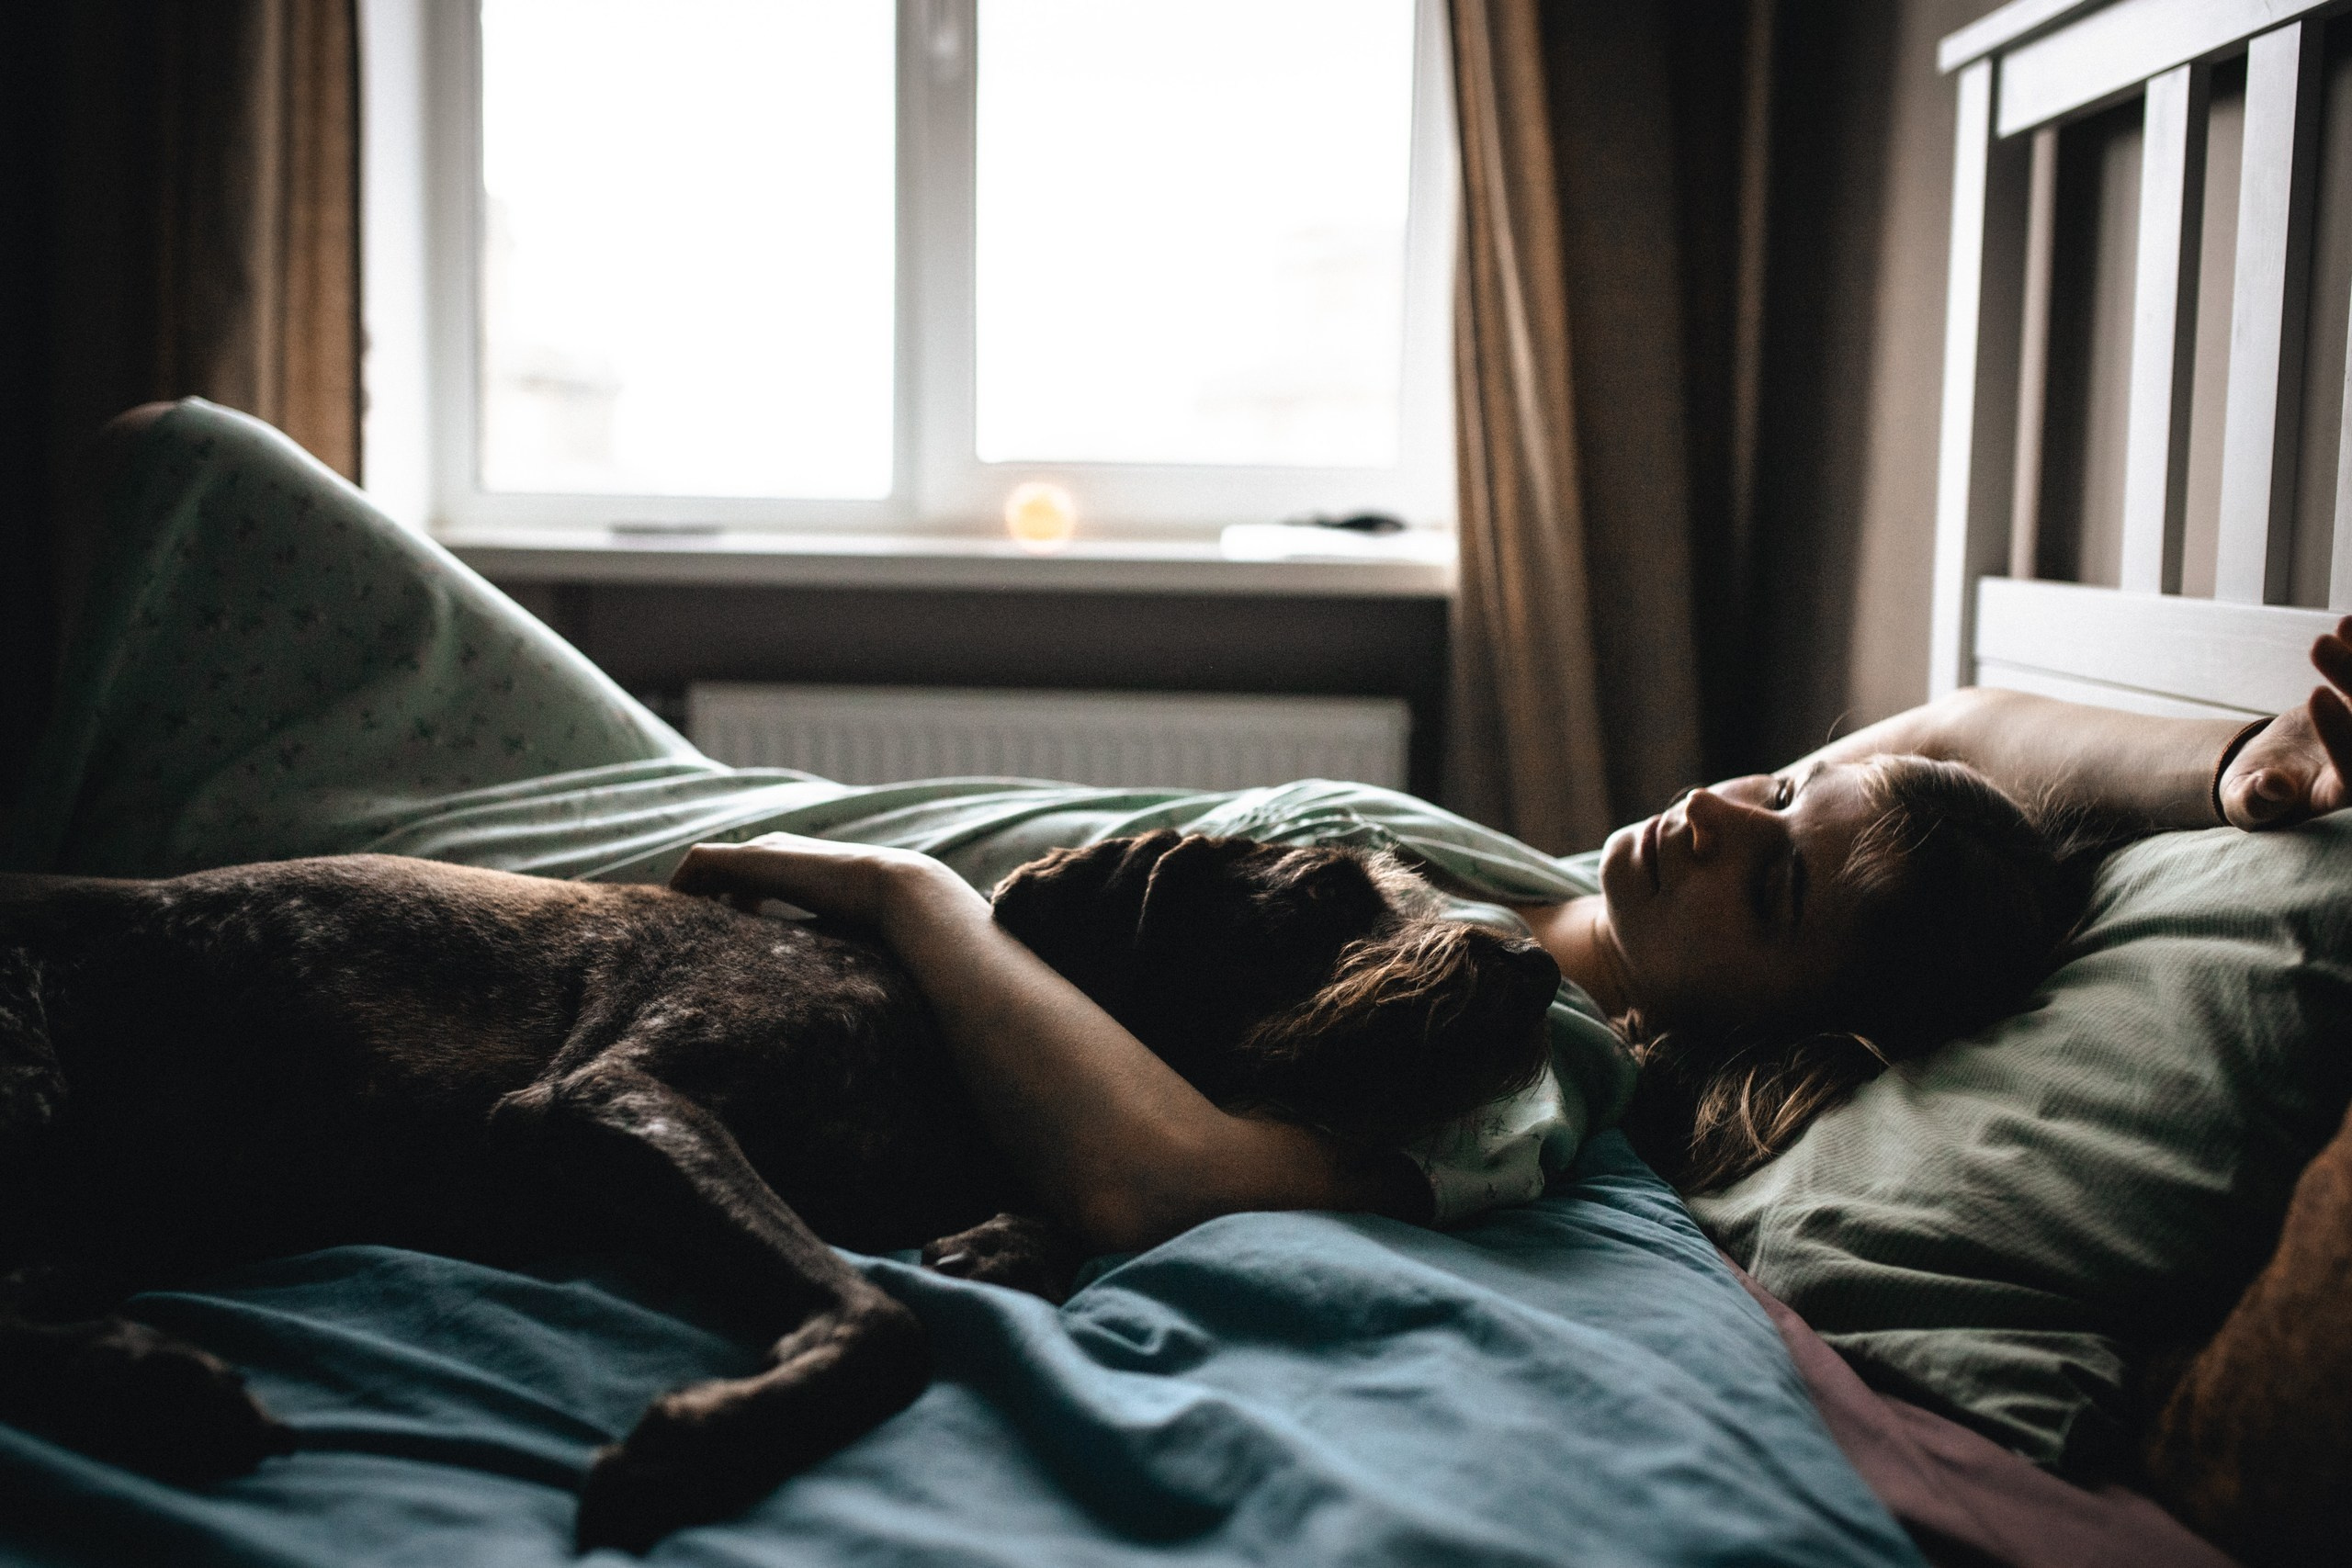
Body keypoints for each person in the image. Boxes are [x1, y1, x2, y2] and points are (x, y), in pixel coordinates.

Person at [670, 644, 2352, 1251]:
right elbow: (1979, 719)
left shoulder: (1534, 1064)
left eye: (1771, 884)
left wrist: (908, 899)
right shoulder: (1580, 887)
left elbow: (1164, 1187)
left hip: (780, 906)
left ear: (1803, 1035)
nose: (1714, 814)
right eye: (1781, 786)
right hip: (797, 813)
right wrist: (2237, 763)